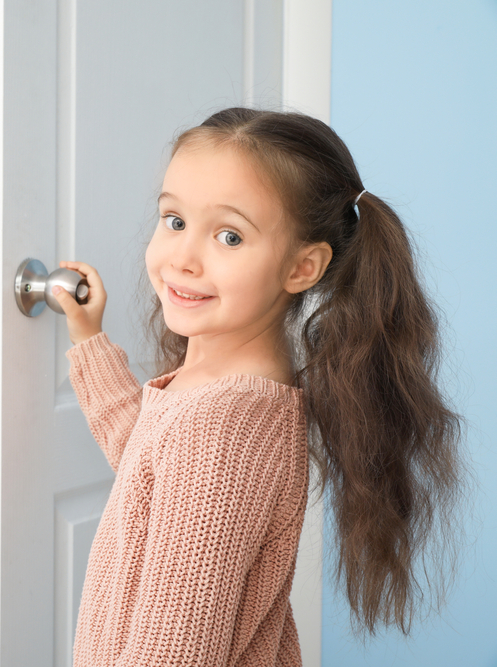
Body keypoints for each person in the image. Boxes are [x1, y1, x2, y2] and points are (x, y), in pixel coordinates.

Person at [50, 107, 465, 666]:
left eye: (228, 236)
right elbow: (145, 460)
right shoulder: (227, 401)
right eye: (174, 221)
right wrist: (88, 338)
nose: (183, 258)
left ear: (302, 268)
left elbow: (174, 654)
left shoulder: (221, 434)